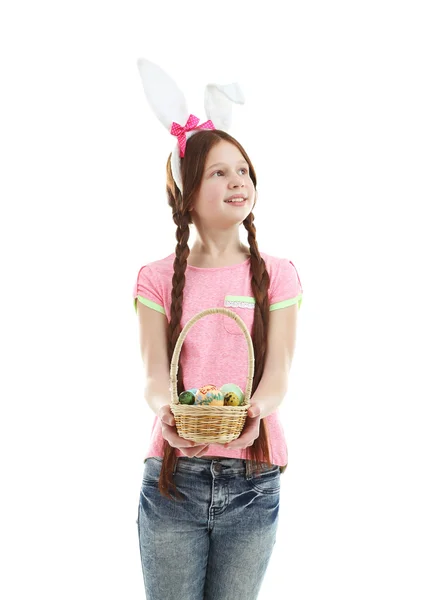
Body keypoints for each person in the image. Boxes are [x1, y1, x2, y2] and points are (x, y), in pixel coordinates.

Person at [133, 59, 303, 600]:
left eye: (244, 170)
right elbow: (155, 377)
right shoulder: (156, 279)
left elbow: (276, 376)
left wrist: (254, 414)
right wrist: (168, 412)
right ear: (187, 192)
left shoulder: (278, 274)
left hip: (255, 480)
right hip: (172, 480)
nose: (239, 182)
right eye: (219, 172)